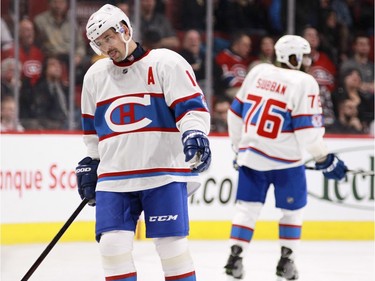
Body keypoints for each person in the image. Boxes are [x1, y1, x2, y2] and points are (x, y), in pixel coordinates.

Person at [75, 4, 211, 281]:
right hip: (114, 177)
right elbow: (92, 132)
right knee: (112, 248)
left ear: (125, 29)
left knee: (172, 248)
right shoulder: (95, 76)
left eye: (109, 38)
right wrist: (91, 161)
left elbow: (191, 109)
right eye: (99, 43)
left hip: (162, 171)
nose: (106, 47)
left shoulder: (166, 62)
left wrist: (194, 133)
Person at [223, 35, 348, 280]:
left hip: (252, 158)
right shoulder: (305, 81)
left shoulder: (257, 72)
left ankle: (234, 257)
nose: (308, 60)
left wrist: (239, 149)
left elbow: (234, 114)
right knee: (292, 213)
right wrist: (324, 158)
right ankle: (286, 261)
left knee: (246, 210)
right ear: (292, 58)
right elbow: (307, 133)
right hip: (286, 162)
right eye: (304, 55)